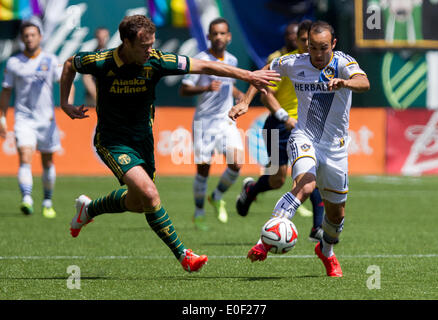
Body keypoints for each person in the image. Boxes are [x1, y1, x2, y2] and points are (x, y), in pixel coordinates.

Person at [59, 14, 280, 273]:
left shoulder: (157, 60)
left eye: (152, 44)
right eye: (144, 46)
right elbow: (68, 64)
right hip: (112, 140)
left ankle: (89, 209)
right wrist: (65, 102)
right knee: (151, 194)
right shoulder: (101, 61)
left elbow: (205, 66)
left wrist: (248, 75)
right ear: (126, 43)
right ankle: (184, 255)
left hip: (142, 140)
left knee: (139, 202)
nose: (150, 50)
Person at [229, 21, 370, 277]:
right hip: (304, 137)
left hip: (335, 149)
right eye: (313, 47)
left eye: (323, 48)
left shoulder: (342, 62)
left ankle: (326, 251)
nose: (317, 53)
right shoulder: (293, 62)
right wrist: (245, 101)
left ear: (333, 45)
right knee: (305, 185)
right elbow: (261, 73)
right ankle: (265, 241)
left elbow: (364, 82)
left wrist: (345, 83)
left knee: (336, 216)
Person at [236, 20, 325, 242]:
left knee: (310, 174)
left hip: (306, 128)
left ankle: (317, 228)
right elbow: (265, 92)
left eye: (310, 40)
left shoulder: (321, 61)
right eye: (303, 40)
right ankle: (251, 191)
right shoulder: (286, 61)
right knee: (276, 179)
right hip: (279, 125)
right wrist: (284, 116)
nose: (307, 44)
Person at [0, 21, 74, 218]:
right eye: (26, 36)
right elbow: (6, 91)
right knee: (24, 156)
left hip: (46, 120)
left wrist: (68, 103)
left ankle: (47, 201)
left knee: (48, 162)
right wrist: (2, 117)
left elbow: (67, 79)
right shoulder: (14, 63)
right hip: (24, 119)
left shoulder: (50, 60)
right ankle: (27, 199)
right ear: (22, 39)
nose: (29, 38)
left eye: (33, 35)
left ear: (40, 37)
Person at [179, 18, 245, 231]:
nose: (218, 37)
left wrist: (237, 93)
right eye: (214, 33)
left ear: (229, 36)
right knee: (203, 170)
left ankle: (216, 197)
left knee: (236, 164)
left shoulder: (232, 61)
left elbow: (229, 83)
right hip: (204, 123)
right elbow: (184, 89)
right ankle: (199, 213)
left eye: (222, 33)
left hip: (226, 120)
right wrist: (206, 89)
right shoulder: (199, 60)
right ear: (208, 36)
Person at [82, 27, 110, 106]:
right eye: (100, 37)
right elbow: (86, 78)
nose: (102, 39)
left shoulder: (112, 55)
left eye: (104, 37)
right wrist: (97, 97)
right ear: (96, 38)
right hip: (94, 98)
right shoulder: (91, 56)